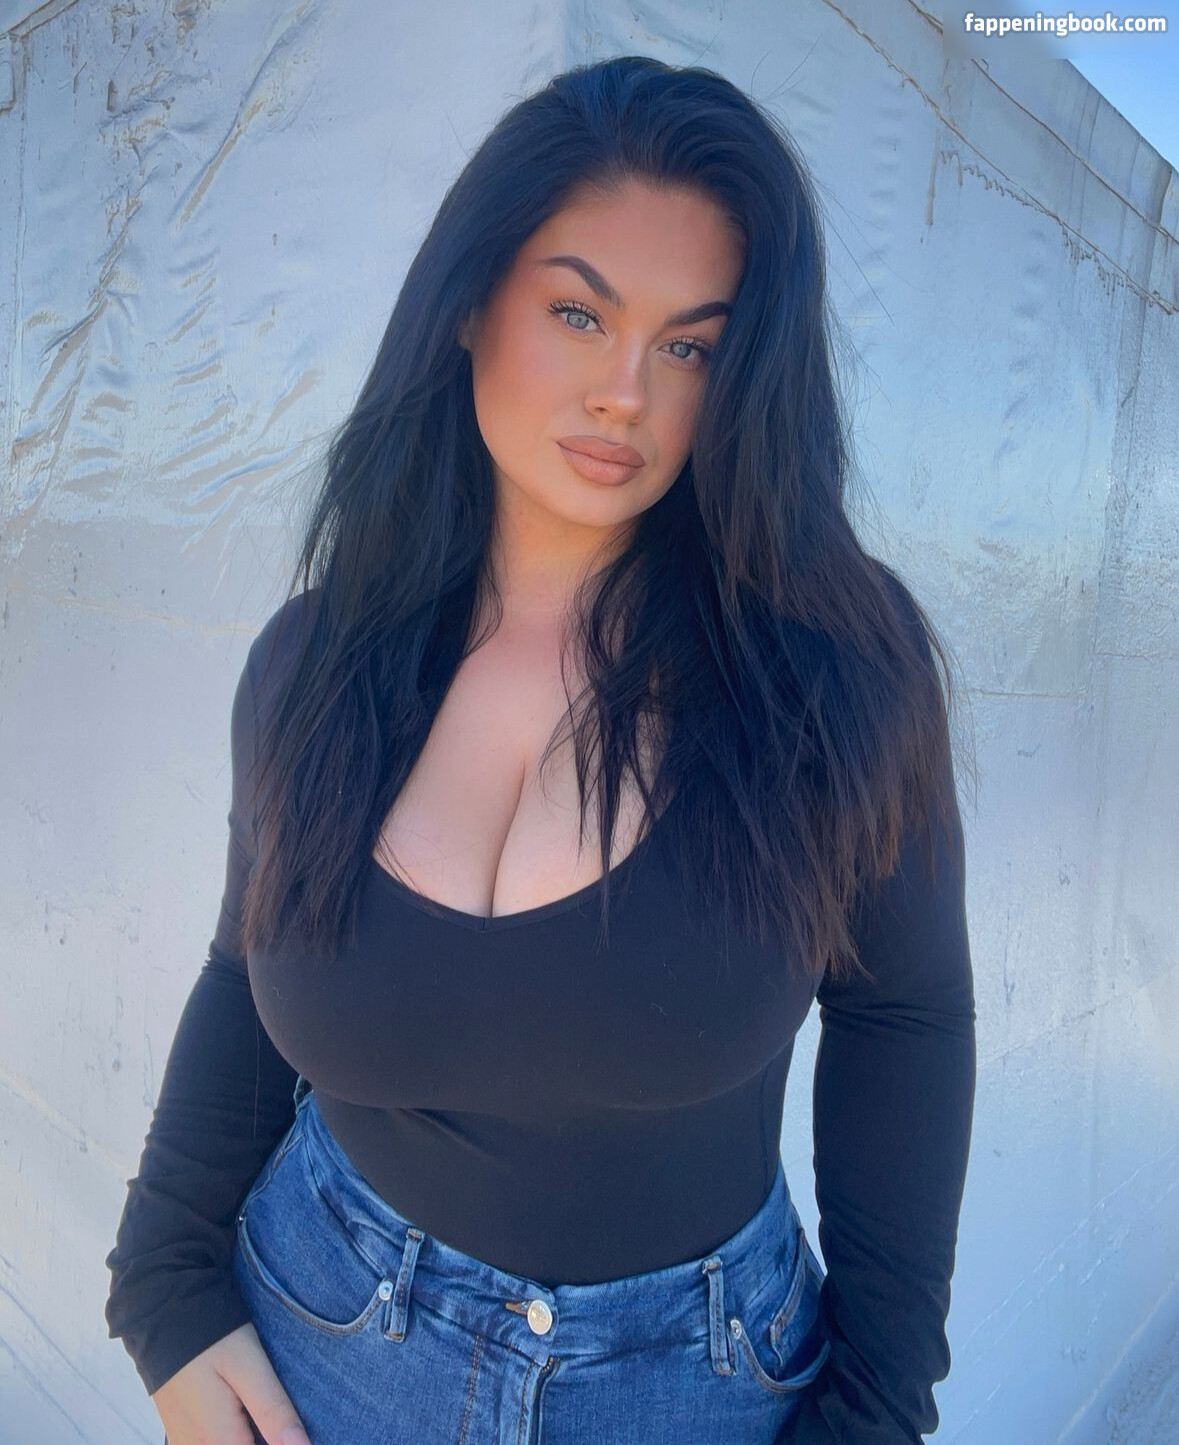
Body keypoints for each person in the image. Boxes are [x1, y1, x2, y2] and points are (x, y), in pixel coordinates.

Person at [105, 54, 976, 1445]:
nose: (626, 391)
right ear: (469, 304)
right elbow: (241, 965)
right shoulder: (316, 662)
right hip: (320, 1339)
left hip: (689, 1387)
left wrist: (874, 1410)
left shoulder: (830, 678)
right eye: (580, 312)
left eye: (690, 346)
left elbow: (906, 1019)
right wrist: (162, 1285)